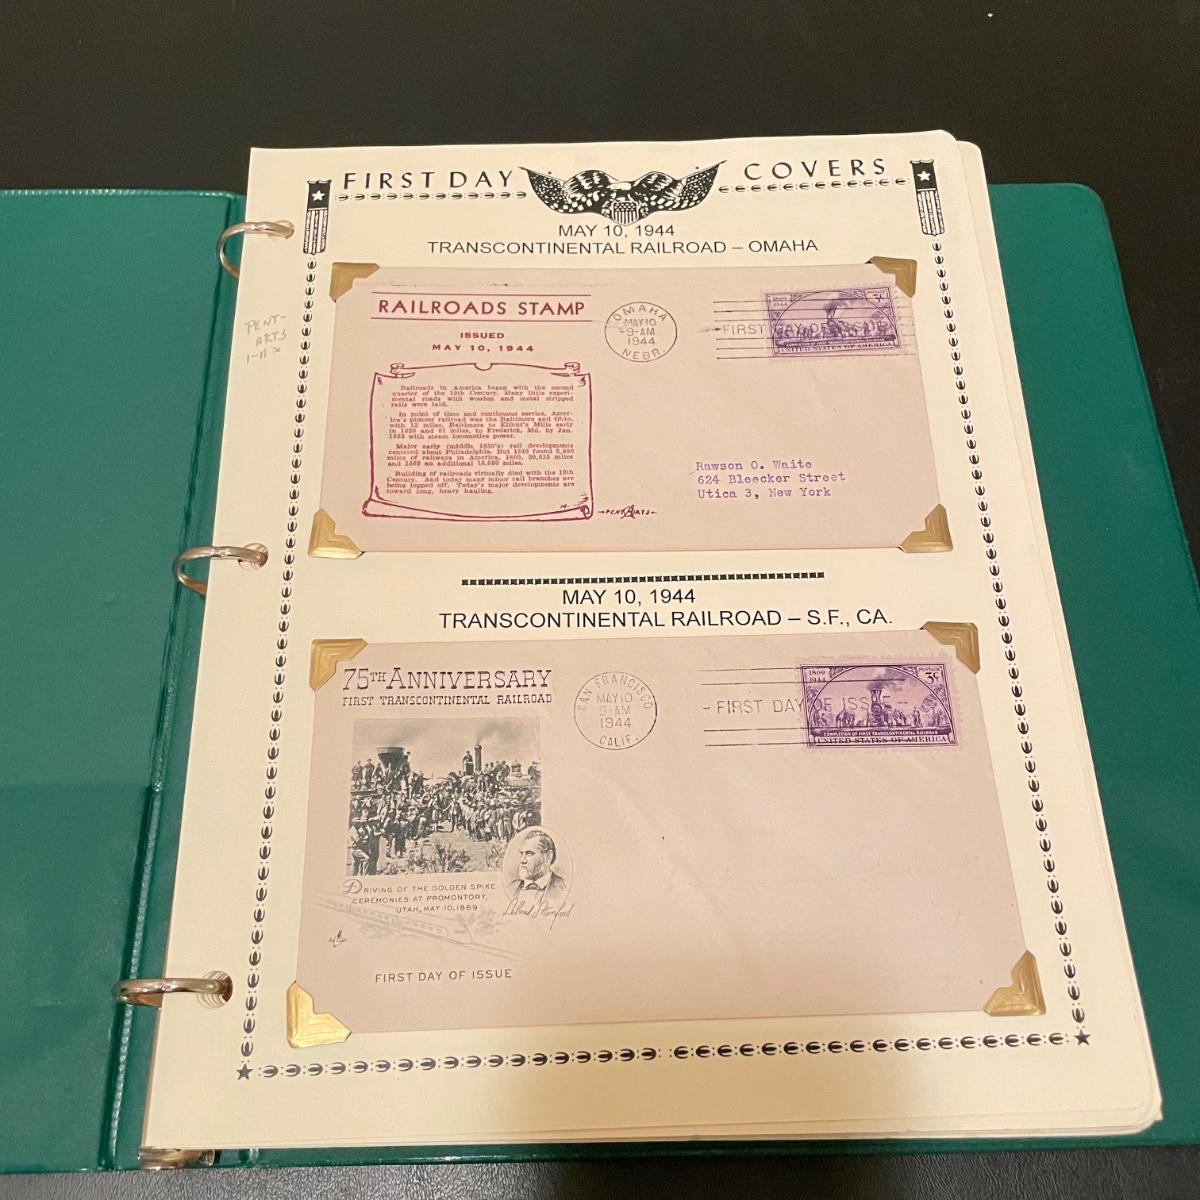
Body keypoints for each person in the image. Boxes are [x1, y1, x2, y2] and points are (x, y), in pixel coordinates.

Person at [512, 830, 567, 903]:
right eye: (522, 854)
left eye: (529, 853)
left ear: (548, 857)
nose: (522, 860)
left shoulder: (563, 887)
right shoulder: (512, 887)